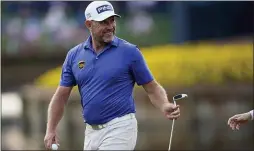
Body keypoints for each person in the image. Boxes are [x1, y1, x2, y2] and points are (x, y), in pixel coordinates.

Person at [44, 1, 181, 150]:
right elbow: (61, 96)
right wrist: (51, 129)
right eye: (103, 22)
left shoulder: (130, 52)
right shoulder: (74, 55)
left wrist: (164, 104)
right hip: (91, 132)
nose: (110, 26)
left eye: (112, 21)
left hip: (120, 128)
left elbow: (152, 87)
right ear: (89, 24)